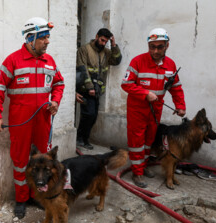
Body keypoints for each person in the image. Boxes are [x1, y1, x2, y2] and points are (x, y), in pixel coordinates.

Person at [0, 17, 65, 218]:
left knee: (43, 160)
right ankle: (22, 199)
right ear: (30, 39)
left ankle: (38, 196)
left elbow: (59, 84)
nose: (47, 42)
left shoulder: (50, 62)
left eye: (48, 38)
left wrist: (56, 101)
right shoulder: (12, 60)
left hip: (43, 120)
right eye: (43, 38)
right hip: (20, 121)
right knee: (21, 161)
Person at [121, 28, 186, 188]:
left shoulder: (170, 65)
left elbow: (176, 87)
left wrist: (180, 106)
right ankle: (137, 173)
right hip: (137, 108)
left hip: (156, 108)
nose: (155, 51)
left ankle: (143, 167)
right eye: (152, 47)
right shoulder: (137, 61)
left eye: (160, 47)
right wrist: (145, 93)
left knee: (149, 140)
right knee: (137, 141)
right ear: (148, 45)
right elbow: (126, 84)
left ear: (167, 46)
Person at [76, 28, 122, 150]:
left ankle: (82, 138)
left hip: (98, 90)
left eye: (105, 41)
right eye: (102, 40)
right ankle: (82, 139)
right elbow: (82, 69)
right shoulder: (84, 50)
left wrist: (113, 45)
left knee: (93, 115)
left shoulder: (106, 52)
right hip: (86, 89)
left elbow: (116, 60)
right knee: (89, 114)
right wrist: (89, 87)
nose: (103, 43)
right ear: (96, 36)